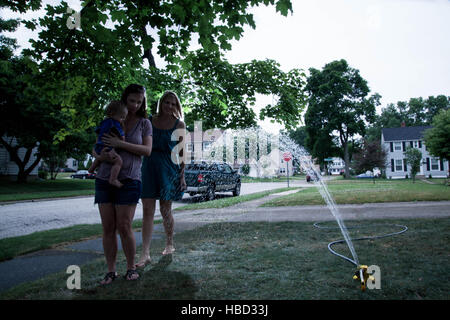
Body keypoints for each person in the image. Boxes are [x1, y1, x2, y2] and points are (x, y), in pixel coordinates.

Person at [93, 84, 152, 284]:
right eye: (132, 100)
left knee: (124, 226)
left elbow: (147, 150)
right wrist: (98, 155)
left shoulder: (144, 123)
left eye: (139, 101)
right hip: (103, 179)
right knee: (108, 227)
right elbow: (96, 145)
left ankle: (130, 267)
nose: (135, 105)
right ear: (124, 99)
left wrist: (120, 144)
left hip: (129, 180)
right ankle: (111, 271)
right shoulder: (110, 120)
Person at [136, 90, 186, 268]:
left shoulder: (179, 124)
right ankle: (145, 253)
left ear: (176, 106)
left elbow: (181, 152)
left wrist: (182, 174)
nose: (170, 106)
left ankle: (169, 243)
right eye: (167, 103)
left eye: (173, 104)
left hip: (169, 170)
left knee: (166, 210)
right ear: (161, 103)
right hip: (148, 168)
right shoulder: (149, 120)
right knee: (147, 212)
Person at [89, 100, 128, 188]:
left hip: (98, 146)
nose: (122, 120)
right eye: (122, 117)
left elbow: (98, 131)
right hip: (108, 147)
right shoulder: (115, 123)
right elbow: (122, 137)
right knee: (118, 161)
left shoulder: (104, 121)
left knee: (99, 157)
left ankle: (91, 169)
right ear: (112, 113)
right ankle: (113, 179)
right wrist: (122, 139)